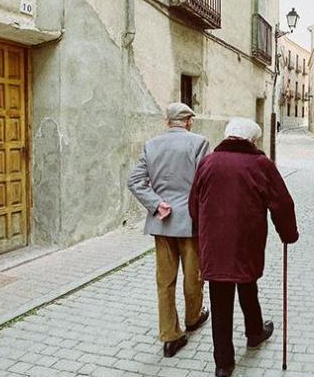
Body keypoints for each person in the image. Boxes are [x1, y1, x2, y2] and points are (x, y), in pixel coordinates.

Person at [189, 117, 299, 377]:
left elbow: (194, 203)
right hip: (246, 242)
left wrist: (202, 228)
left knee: (220, 299)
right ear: (252, 140)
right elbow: (282, 204)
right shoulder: (260, 164)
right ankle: (254, 332)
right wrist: (288, 234)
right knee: (248, 285)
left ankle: (223, 363)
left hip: (215, 244)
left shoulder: (208, 162)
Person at [128, 102, 210, 358]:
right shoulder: (199, 143)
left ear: (167, 122)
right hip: (191, 222)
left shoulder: (152, 145)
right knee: (193, 275)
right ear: (189, 121)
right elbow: (204, 183)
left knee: (165, 281)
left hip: (162, 222)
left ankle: (170, 336)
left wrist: (156, 204)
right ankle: (193, 317)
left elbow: (134, 181)